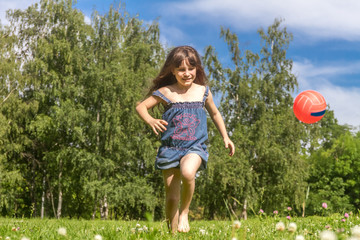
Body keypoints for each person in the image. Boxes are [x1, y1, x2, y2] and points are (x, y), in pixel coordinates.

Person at [136, 46, 235, 233]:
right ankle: (172, 234)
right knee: (171, 198)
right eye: (181, 69)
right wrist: (150, 120)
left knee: (188, 173)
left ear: (197, 68)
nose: (187, 73)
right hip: (170, 148)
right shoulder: (166, 92)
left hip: (194, 146)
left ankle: (185, 213)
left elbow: (215, 113)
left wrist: (226, 136)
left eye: (191, 68)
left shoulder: (203, 91)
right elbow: (141, 107)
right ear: (172, 71)